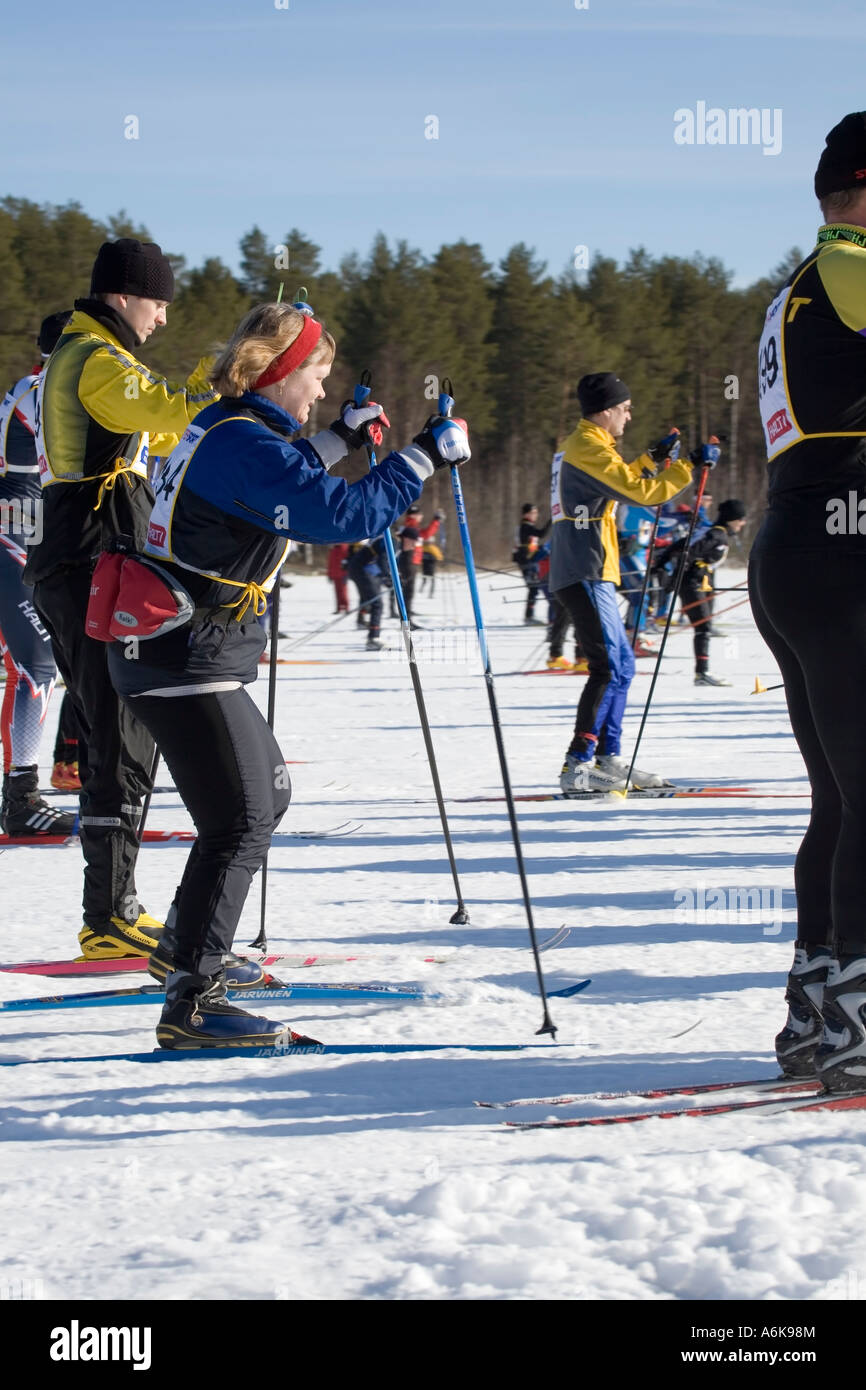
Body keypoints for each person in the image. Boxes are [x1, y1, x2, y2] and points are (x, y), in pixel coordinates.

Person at [105, 298, 470, 1049]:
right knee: (239, 819)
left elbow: (281, 476)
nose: (321, 394)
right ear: (280, 373)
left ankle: (185, 945)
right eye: (317, 378)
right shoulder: (246, 442)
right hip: (184, 654)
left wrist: (342, 436)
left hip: (180, 649)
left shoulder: (228, 423)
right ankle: (194, 1000)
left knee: (264, 793)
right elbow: (339, 515)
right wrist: (423, 455)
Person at [22, 238, 219, 959]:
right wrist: (229, 378)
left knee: (123, 728)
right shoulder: (95, 359)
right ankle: (106, 916)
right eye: (158, 302)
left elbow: (163, 416)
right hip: (87, 559)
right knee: (118, 730)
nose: (162, 318)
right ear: (123, 295)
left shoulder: (90, 352)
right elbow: (172, 415)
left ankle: (113, 908)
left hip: (89, 558)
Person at [749, 111, 866, 1091]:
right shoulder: (847, 265)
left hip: (797, 544)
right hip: (842, 544)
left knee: (839, 795)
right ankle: (855, 1028)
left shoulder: (797, 285)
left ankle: (815, 1010)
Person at [549, 372, 703, 794]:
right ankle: (577, 764)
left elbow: (618, 482)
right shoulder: (586, 448)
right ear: (605, 411)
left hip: (592, 569)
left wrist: (652, 460)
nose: (629, 417)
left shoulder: (587, 445)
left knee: (623, 666)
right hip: (584, 568)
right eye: (625, 408)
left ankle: (608, 759)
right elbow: (642, 494)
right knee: (608, 668)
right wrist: (689, 466)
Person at [0, 311, 77, 837]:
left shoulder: (32, 385)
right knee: (36, 665)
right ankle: (21, 799)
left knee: (38, 663)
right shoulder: (42, 390)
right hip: (13, 541)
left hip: (22, 537)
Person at [666, 498, 747, 686]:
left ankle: (702, 672)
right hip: (692, 585)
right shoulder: (716, 535)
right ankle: (701, 674)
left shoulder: (717, 533)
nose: (742, 523)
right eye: (741, 519)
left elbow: (680, 546)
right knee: (703, 628)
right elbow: (688, 552)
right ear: (733, 519)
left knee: (706, 626)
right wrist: (673, 578)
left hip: (701, 584)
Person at [513, 503, 550, 624]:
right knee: (533, 588)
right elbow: (542, 534)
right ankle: (529, 617)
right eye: (533, 513)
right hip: (526, 561)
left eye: (536, 512)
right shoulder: (525, 526)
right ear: (526, 514)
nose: (536, 515)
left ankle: (529, 616)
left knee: (534, 587)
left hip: (531, 560)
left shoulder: (528, 526)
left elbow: (532, 544)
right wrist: (553, 520)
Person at [346, 540, 385, 649]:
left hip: (371, 572)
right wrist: (387, 576)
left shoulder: (375, 538)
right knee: (376, 603)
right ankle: (373, 636)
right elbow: (383, 560)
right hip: (364, 571)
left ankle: (362, 621)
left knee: (368, 599)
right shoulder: (381, 539)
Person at [327, 543, 349, 613]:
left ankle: (346, 607)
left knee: (344, 592)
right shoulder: (333, 550)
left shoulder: (345, 548)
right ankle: (338, 608)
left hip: (343, 575)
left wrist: (347, 574)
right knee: (337, 593)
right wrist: (329, 575)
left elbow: (347, 561)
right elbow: (330, 563)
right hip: (335, 575)